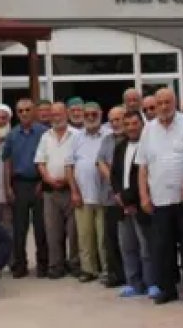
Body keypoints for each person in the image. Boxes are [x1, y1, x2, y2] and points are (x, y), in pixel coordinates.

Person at [137, 87, 183, 305]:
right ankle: (167, 289)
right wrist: (144, 196)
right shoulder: (148, 129)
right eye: (160, 103)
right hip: (160, 199)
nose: (164, 107)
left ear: (175, 102)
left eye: (168, 102)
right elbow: (143, 166)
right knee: (162, 248)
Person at [111, 110, 156, 298]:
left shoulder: (149, 146)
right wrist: (119, 196)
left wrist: (130, 199)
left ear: (142, 124)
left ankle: (151, 283)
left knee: (146, 248)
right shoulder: (120, 147)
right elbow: (114, 174)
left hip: (141, 204)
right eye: (127, 124)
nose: (131, 128)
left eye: (134, 123)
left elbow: (146, 176)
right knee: (128, 247)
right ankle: (134, 283)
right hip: (123, 206)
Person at [3, 98, 48, 278]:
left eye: (27, 110)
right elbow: (7, 162)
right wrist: (8, 187)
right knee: (19, 228)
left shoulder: (44, 133)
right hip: (19, 184)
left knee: (41, 227)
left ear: (34, 111)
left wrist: (44, 182)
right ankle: (20, 265)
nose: (24, 113)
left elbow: (48, 158)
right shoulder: (12, 135)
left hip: (39, 183)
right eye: (20, 111)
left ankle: (43, 265)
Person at [36, 102, 77, 280]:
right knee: (53, 231)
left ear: (66, 114)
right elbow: (40, 162)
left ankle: (75, 264)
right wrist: (48, 179)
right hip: (51, 191)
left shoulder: (77, 135)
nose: (56, 117)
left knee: (74, 231)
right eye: (53, 114)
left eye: (59, 114)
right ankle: (56, 266)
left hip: (72, 189)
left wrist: (68, 180)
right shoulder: (45, 136)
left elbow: (79, 161)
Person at [68, 102, 108, 283]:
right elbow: (69, 166)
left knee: (103, 237)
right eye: (87, 115)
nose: (90, 118)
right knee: (85, 236)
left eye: (94, 114)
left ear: (100, 114)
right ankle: (88, 269)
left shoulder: (108, 135)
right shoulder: (76, 138)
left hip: (104, 196)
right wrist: (74, 192)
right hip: (83, 196)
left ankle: (107, 269)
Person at [94, 105, 126, 288]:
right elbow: (100, 161)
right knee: (111, 238)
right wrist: (114, 181)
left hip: (129, 196)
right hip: (110, 197)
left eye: (118, 119)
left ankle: (133, 274)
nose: (115, 123)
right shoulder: (106, 140)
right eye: (112, 120)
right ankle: (115, 274)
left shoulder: (133, 138)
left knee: (129, 239)